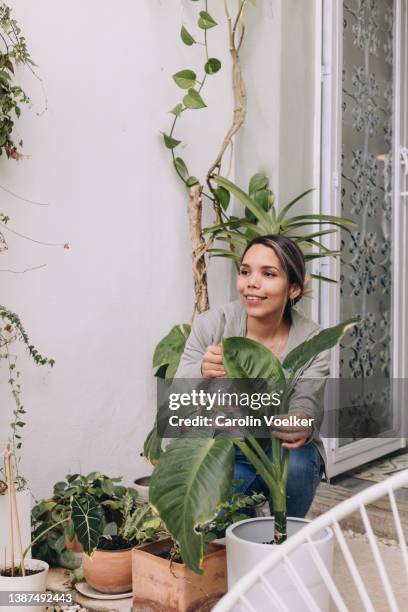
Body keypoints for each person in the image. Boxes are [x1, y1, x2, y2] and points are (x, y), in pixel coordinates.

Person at [175, 234, 329, 517]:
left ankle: (286, 533)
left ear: (293, 289)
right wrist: (201, 371)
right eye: (245, 272)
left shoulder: (312, 339)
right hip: (228, 446)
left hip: (283, 449)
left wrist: (300, 419)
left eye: (268, 274)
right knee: (216, 524)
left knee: (295, 466)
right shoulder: (214, 324)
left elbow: (308, 399)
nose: (251, 283)